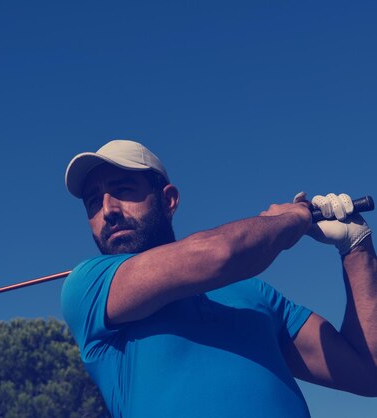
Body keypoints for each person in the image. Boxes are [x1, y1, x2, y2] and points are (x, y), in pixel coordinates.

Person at [60, 139, 377, 417]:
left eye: (122, 190)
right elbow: (218, 253)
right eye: (92, 202)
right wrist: (293, 217)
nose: (107, 210)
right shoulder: (88, 287)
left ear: (168, 200)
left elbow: (368, 372)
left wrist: (356, 246)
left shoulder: (254, 294)